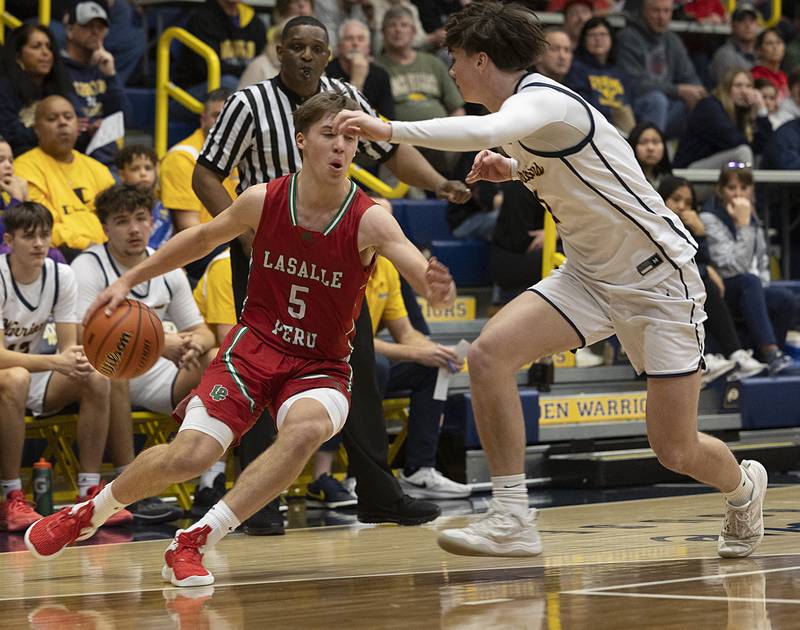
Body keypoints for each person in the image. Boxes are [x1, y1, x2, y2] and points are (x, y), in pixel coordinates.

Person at [334, 1, 769, 560]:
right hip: (589, 276)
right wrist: (515, 169)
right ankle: (512, 516)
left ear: (483, 60)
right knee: (488, 355)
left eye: (456, 59)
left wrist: (386, 127)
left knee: (674, 448)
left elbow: (484, 129)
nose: (452, 71)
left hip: (656, 281)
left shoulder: (541, 101)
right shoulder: (528, 114)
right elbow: (581, 163)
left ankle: (743, 488)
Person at [24, 92, 457, 587]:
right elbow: (200, 239)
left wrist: (433, 284)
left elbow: (414, 268)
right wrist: (126, 281)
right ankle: (90, 512)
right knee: (190, 457)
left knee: (305, 430)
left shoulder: (369, 217)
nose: (341, 146)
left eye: (351, 136)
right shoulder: (263, 199)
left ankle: (197, 538)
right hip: (253, 348)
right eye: (329, 134)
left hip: (321, 364)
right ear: (302, 141)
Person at [192, 15, 469, 533]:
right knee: (260, 372)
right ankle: (256, 504)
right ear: (280, 51)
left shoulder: (344, 97)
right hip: (266, 250)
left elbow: (392, 150)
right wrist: (247, 238)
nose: (305, 55)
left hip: (335, 253)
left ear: (328, 55)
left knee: (356, 365)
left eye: (315, 48)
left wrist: (439, 184)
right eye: (295, 46)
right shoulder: (247, 103)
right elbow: (205, 173)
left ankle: (378, 491)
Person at [71, 184, 218, 523]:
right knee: (113, 371)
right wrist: (160, 343)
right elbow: (84, 336)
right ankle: (128, 490)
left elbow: (201, 328)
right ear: (105, 228)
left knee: (217, 358)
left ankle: (211, 478)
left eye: (141, 219)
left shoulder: (166, 265)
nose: (134, 229)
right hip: (111, 370)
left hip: (165, 375)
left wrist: (196, 342)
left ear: (153, 222)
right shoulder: (89, 266)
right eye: (122, 221)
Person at [0, 202, 119, 532]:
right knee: (14, 376)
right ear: (9, 241)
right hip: (12, 375)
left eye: (44, 235)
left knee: (95, 376)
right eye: (29, 237)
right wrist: (56, 361)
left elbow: (68, 347)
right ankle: (11, 495)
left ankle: (90, 494)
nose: (40, 244)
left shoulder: (60, 275)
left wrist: (76, 360)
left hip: (29, 375)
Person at [365, 253, 470, 498]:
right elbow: (353, 341)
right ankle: (359, 474)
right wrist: (416, 353)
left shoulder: (387, 268)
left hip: (372, 365)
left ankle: (419, 470)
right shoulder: (340, 265)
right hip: (341, 363)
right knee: (377, 365)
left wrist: (437, 351)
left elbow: (405, 331)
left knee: (435, 366)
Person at [657, 176, 766, 383]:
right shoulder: (653, 226)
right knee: (703, 285)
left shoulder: (690, 227)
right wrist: (706, 270)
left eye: (688, 203)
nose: (682, 207)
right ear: (661, 199)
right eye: (675, 200)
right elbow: (673, 264)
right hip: (662, 287)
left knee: (748, 282)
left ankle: (749, 356)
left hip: (693, 285)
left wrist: (701, 234)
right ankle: (713, 357)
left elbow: (701, 260)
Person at [698, 165, 798, 375]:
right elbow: (733, 267)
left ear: (751, 190)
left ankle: (771, 359)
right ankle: (770, 351)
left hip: (749, 288)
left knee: (785, 299)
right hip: (721, 290)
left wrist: (760, 291)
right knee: (749, 281)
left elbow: (762, 262)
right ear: (720, 190)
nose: (738, 194)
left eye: (744, 187)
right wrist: (743, 226)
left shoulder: (753, 218)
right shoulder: (710, 218)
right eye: (731, 188)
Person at [13, 96, 115, 259]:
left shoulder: (98, 169)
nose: (62, 123)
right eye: (52, 119)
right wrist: (88, 245)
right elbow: (39, 225)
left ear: (77, 124)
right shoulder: (24, 169)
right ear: (37, 129)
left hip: (106, 252)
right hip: (61, 255)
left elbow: (116, 217)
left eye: (68, 117)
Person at [376, 6, 465, 178]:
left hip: (439, 140)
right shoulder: (375, 67)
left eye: (404, 25)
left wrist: (452, 133)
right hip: (398, 140)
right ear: (383, 32)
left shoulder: (433, 63)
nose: (398, 30)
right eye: (392, 25)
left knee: (471, 147)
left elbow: (457, 108)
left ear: (414, 31)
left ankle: (467, 202)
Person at [160, 89, 236, 280]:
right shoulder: (182, 157)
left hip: (230, 238)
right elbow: (188, 226)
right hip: (197, 248)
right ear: (203, 120)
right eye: (216, 116)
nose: (222, 123)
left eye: (229, 117)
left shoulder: (240, 153)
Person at [617, 0, 706, 139]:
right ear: (643, 12)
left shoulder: (672, 39)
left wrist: (698, 93)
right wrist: (678, 90)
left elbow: (689, 76)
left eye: (666, 11)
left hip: (669, 107)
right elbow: (635, 84)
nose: (662, 17)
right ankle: (649, 153)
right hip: (638, 106)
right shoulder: (627, 37)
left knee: (705, 104)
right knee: (657, 101)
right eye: (656, 11)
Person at [62, 1, 131, 167]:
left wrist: (111, 76)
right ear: (70, 30)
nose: (95, 32)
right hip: (73, 154)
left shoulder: (104, 69)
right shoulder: (58, 69)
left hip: (103, 156)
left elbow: (125, 119)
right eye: (87, 26)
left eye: (101, 27)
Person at [673, 69, 772, 171]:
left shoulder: (742, 112)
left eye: (748, 86)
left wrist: (761, 109)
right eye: (738, 86)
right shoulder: (709, 106)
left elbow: (761, 147)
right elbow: (733, 141)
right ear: (726, 88)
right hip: (689, 170)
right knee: (743, 153)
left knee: (758, 158)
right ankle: (747, 186)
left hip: (720, 167)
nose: (744, 91)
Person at [0, 24, 73, 157]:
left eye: (49, 47)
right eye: (36, 47)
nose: (45, 53)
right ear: (18, 55)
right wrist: (48, 133)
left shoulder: (59, 87)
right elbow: (8, 132)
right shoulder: (4, 88)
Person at [174, 0, 266, 96]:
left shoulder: (255, 22)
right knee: (229, 83)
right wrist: (249, 73)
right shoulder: (202, 18)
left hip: (238, 85)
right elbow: (206, 69)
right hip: (191, 92)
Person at [565, 17, 636, 135]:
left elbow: (629, 103)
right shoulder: (576, 68)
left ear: (611, 39)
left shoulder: (620, 72)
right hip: (592, 127)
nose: (598, 39)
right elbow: (581, 104)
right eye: (592, 35)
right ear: (583, 40)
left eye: (603, 34)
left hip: (622, 128)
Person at [327, 19, 395, 119]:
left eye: (360, 39)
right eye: (349, 38)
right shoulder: (327, 71)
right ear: (339, 46)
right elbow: (335, 118)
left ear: (368, 48)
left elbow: (388, 120)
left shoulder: (380, 75)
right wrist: (357, 82)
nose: (355, 43)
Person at [115, 146, 173, 250]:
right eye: (135, 169)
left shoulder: (164, 200)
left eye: (148, 168)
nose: (143, 173)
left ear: (156, 170)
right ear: (121, 174)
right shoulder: (119, 205)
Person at [709, 3, 759, 86]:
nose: (748, 25)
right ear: (732, 25)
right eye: (741, 20)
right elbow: (727, 93)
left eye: (752, 20)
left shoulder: (761, 54)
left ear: (757, 25)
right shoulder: (724, 55)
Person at [627, 122, 671, 190]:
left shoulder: (669, 180)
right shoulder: (627, 179)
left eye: (655, 142)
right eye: (643, 142)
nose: (650, 148)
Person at [751, 29, 788, 101]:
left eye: (779, 42)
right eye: (769, 43)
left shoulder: (784, 76)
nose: (775, 47)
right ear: (759, 50)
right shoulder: (754, 76)